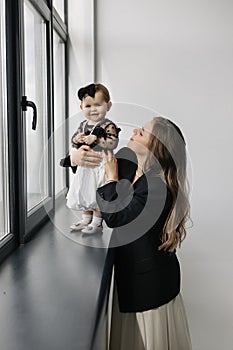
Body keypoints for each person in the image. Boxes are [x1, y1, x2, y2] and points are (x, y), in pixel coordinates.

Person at [70, 116, 192, 349]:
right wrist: (75, 158)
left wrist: (112, 178)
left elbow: (115, 216)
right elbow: (95, 159)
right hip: (136, 279)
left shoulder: (157, 186)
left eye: (143, 132)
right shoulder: (134, 169)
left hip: (150, 287)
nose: (135, 130)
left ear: (156, 147)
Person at [62, 83, 121, 234]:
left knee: (97, 190)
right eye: (88, 106)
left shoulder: (108, 125)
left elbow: (112, 142)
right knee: (85, 189)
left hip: (101, 162)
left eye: (98, 105)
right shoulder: (83, 125)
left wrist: (96, 139)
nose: (93, 109)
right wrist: (78, 139)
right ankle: (85, 219)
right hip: (86, 163)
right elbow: (75, 141)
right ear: (82, 107)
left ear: (108, 106)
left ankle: (97, 222)